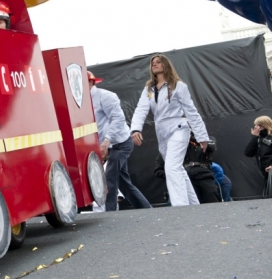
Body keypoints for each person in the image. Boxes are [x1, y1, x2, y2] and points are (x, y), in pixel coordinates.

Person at [131, 54, 210, 206]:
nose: (154, 64)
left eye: (158, 62)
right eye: (153, 63)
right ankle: (194, 205)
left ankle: (180, 207)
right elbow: (141, 109)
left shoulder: (178, 86)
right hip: (161, 132)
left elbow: (191, 111)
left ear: (166, 65)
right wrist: (135, 129)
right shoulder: (149, 88)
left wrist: (201, 136)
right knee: (177, 168)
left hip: (178, 129)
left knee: (171, 167)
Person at [89, 71, 151, 211]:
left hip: (120, 144)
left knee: (110, 177)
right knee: (124, 183)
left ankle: (109, 213)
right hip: (109, 145)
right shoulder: (82, 101)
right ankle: (146, 209)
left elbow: (118, 119)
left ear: (92, 82)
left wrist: (106, 140)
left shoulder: (106, 96)